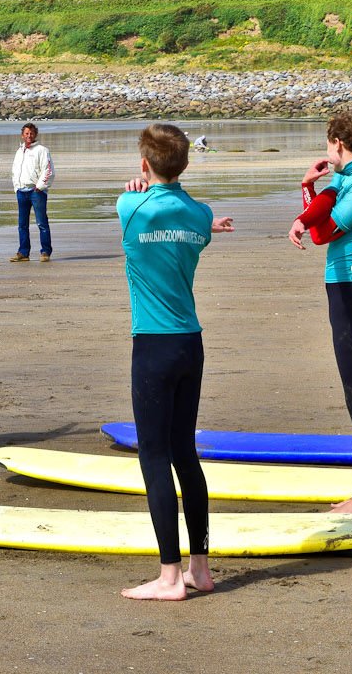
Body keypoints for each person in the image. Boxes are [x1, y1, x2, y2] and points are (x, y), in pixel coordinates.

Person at [116, 123, 234, 601]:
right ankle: (199, 569)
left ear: (144, 164)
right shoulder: (201, 214)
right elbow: (195, 232)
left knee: (155, 457)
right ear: (186, 163)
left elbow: (137, 200)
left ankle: (169, 577)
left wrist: (137, 183)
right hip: (191, 343)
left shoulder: (130, 206)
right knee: (185, 452)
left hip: (153, 345)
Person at [289, 110, 352, 513]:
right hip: (351, 294)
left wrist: (308, 203)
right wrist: (308, 187)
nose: (327, 150)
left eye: (329, 144)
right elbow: (320, 214)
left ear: (339, 144)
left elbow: (323, 233)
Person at [10, 122, 53, 262]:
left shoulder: (42, 150)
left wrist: (39, 187)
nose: (29, 136)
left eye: (32, 133)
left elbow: (48, 171)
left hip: (36, 191)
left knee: (41, 223)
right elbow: (15, 170)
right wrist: (16, 187)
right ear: (22, 135)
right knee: (22, 225)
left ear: (35, 134)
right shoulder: (19, 151)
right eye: (27, 133)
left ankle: (45, 251)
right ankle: (23, 252)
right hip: (21, 191)